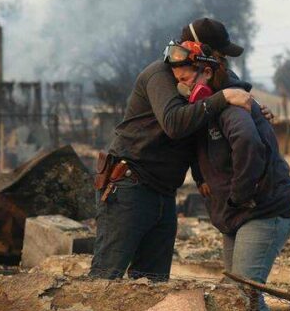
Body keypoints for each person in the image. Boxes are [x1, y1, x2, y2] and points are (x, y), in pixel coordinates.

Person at [168, 37, 290, 311]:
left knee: (244, 294)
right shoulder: (207, 111)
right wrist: (201, 180)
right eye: (177, 80)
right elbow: (201, 152)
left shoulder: (231, 107)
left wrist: (240, 196)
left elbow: (248, 143)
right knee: (236, 293)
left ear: (206, 73)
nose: (181, 86)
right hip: (238, 215)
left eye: (186, 78)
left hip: (264, 211)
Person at [88, 22, 254, 281]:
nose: (224, 65)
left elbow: (204, 123)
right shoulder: (161, 76)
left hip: (163, 192)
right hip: (130, 185)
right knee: (106, 276)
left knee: (151, 281)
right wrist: (223, 98)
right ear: (203, 52)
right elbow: (175, 123)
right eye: (221, 57)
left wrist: (249, 101)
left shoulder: (205, 78)